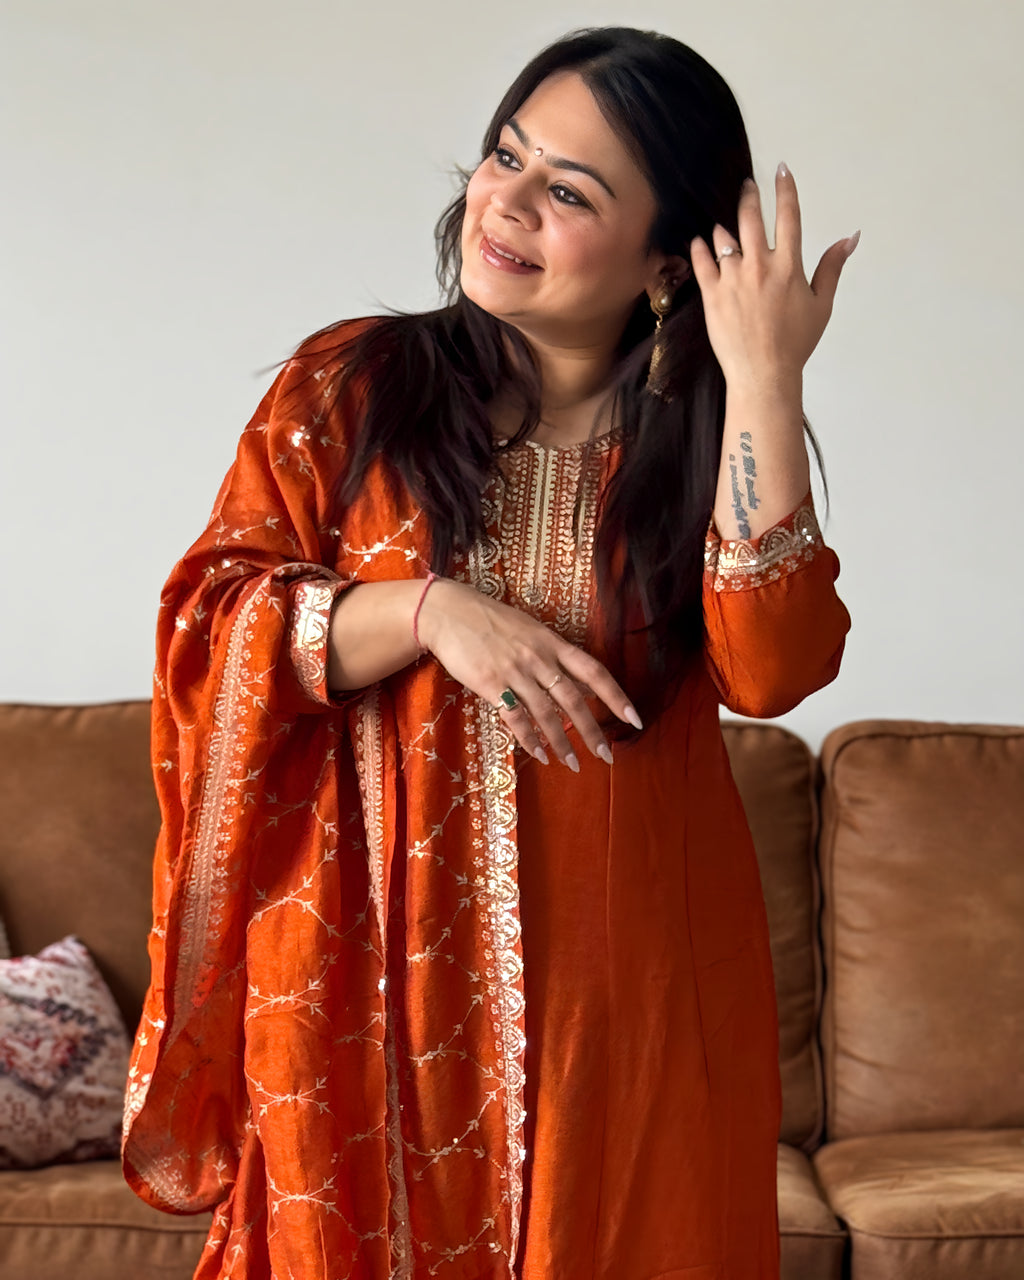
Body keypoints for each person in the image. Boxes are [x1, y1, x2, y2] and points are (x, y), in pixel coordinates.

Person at [122, 25, 854, 1280]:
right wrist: (429, 612)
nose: (503, 202)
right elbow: (211, 620)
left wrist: (763, 378)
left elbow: (772, 667)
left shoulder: (701, 447)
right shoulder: (354, 390)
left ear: (665, 262)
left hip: (625, 1012)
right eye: (505, 156)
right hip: (361, 990)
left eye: (569, 191)